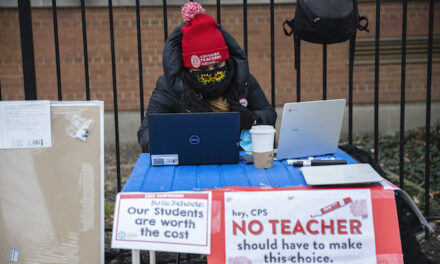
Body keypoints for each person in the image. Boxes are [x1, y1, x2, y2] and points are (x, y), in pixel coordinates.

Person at [137, 2, 276, 152]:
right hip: (190, 160)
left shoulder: (241, 78)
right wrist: (178, 139)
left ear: (226, 60)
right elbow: (146, 132)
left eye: (217, 66)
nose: (211, 73)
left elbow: (269, 114)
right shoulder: (171, 86)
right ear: (189, 68)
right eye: (203, 69)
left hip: (237, 159)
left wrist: (251, 119)